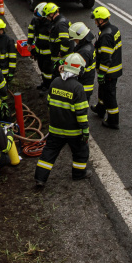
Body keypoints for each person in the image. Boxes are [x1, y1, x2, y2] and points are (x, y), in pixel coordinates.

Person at [33, 53, 90, 189]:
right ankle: (78, 174)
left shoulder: (55, 82)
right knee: (81, 152)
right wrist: (85, 131)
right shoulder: (78, 88)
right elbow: (81, 113)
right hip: (73, 132)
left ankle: (40, 179)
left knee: (49, 153)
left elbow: (49, 103)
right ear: (79, 70)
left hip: (55, 129)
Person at [92, 6, 123, 129]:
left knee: (110, 95)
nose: (94, 21)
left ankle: (113, 121)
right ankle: (100, 109)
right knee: (103, 90)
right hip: (113, 69)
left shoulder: (106, 35)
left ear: (101, 20)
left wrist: (101, 74)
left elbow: (106, 58)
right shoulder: (113, 29)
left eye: (96, 20)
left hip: (109, 72)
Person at [39, 3, 70, 90]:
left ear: (51, 14)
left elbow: (66, 40)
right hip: (58, 58)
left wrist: (62, 52)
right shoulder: (57, 22)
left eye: (47, 16)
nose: (47, 19)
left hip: (62, 59)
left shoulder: (60, 24)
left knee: (60, 79)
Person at [66, 22, 96, 99]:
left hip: (82, 87)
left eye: (75, 39)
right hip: (86, 84)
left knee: (79, 109)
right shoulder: (88, 46)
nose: (75, 41)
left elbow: (77, 71)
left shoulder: (84, 52)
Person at [31, 3, 54, 90]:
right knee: (41, 68)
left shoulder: (51, 25)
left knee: (48, 70)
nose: (38, 18)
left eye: (39, 16)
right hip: (39, 51)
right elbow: (32, 32)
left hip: (48, 54)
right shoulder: (36, 21)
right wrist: (31, 45)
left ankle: (48, 86)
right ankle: (44, 83)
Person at [0, 17, 18, 83]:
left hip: (4, 72)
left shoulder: (9, 41)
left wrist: (11, 72)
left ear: (0, 30)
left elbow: (12, 58)